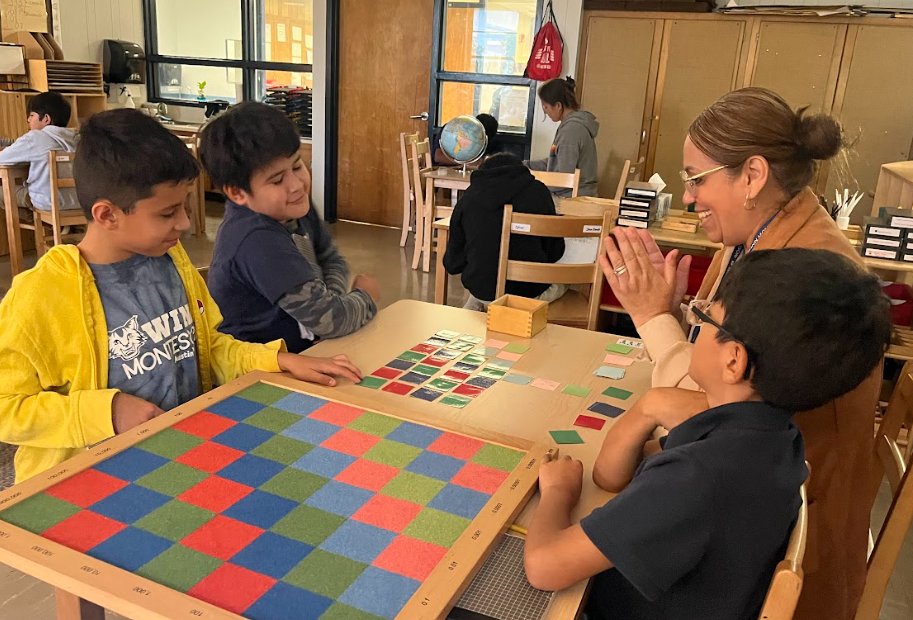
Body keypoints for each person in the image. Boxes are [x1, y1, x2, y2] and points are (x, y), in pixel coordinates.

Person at [598, 87, 880, 620]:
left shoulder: (804, 270)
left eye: (696, 179)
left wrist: (653, 318)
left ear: (751, 176)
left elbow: (718, 408)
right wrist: (678, 315)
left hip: (778, 553)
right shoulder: (764, 231)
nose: (687, 198)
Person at [525, 248, 892, 620]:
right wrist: (649, 405)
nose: (694, 326)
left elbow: (544, 567)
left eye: (704, 318)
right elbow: (613, 474)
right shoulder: (775, 436)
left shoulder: (698, 475)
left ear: (733, 360)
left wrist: (557, 493)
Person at [0, 109, 363, 484]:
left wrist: (276, 359)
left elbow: (210, 349)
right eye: (168, 213)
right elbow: (6, 408)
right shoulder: (40, 296)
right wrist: (105, 412)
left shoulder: (171, 260)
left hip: (178, 460)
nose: (186, 224)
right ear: (107, 215)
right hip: (84, 483)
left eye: (184, 207)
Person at [200, 102, 379, 354]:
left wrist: (328, 308)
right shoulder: (257, 240)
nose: (296, 185)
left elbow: (331, 260)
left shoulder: (292, 207)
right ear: (237, 192)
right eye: (277, 180)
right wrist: (364, 296)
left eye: (296, 166)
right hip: (261, 376)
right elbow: (332, 320)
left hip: (309, 353)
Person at [443, 153, 566, 311]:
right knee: (567, 279)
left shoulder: (469, 197)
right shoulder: (539, 192)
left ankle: (480, 310)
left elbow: (453, 264)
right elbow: (555, 252)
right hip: (530, 295)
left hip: (484, 291)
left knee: (484, 282)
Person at [0, 91, 79, 221]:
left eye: (32, 115)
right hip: (79, 202)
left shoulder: (35, 137)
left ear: (46, 119)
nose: (28, 120)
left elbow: (2, 159)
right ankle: (64, 227)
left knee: (4, 192)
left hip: (48, 203)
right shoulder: (77, 137)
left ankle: (45, 224)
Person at [525, 77, 599, 197]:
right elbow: (555, 162)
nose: (545, 112)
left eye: (546, 107)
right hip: (578, 192)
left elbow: (563, 178)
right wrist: (525, 165)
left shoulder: (571, 130)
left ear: (558, 105)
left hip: (574, 198)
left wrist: (531, 178)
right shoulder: (573, 125)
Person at [432, 113, 501, 166]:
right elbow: (438, 157)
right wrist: (465, 163)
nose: (475, 139)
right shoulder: (451, 130)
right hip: (441, 170)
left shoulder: (484, 140)